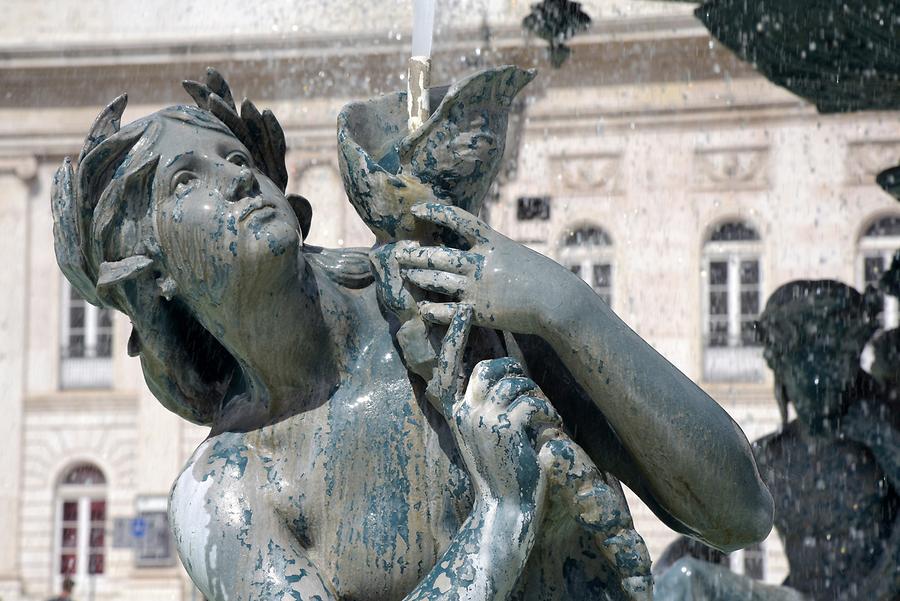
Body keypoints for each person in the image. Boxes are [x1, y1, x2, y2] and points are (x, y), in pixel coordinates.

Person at [51, 67, 771, 600]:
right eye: (187, 182)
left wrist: (565, 305)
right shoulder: (227, 491)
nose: (237, 180)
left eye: (239, 161)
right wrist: (501, 518)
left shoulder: (454, 300)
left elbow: (740, 510)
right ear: (154, 272)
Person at [657, 280, 900, 600]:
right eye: (796, 360)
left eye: (828, 357)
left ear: (849, 358)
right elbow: (702, 542)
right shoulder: (772, 456)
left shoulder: (883, 432)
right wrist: (654, 575)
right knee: (681, 579)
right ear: (779, 366)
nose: (815, 375)